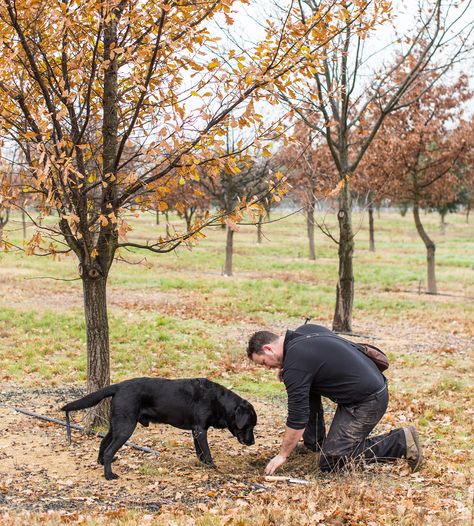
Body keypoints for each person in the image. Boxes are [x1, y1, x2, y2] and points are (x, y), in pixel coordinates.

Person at [247, 322, 422, 475]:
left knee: (331, 460)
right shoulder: (305, 331)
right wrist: (292, 370)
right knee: (306, 390)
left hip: (368, 401)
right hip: (366, 387)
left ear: (268, 349)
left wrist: (282, 454)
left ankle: (400, 442)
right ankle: (315, 444)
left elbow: (297, 415)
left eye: (263, 362)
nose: (268, 368)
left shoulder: (296, 365)